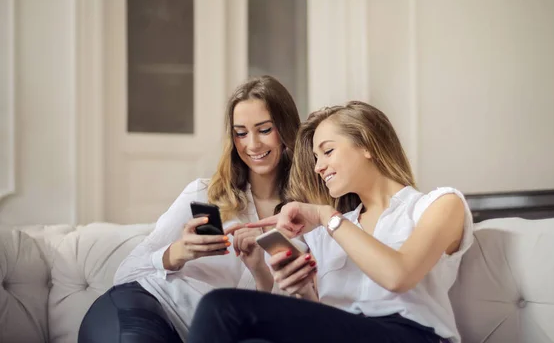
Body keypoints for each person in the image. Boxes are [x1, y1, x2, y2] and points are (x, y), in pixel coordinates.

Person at [188, 100, 474, 343]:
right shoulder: (327, 234)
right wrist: (301, 290)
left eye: (327, 151)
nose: (318, 166)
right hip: (346, 332)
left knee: (220, 307)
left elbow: (398, 276)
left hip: (410, 334)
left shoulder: (438, 205)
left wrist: (326, 215)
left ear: (366, 145)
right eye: (315, 157)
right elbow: (325, 319)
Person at [78, 75, 301, 343]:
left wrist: (259, 271)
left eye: (265, 130)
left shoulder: (304, 217)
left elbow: (288, 315)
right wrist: (179, 252)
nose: (252, 145)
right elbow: (125, 273)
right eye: (240, 133)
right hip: (148, 307)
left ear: (286, 129)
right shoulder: (206, 194)